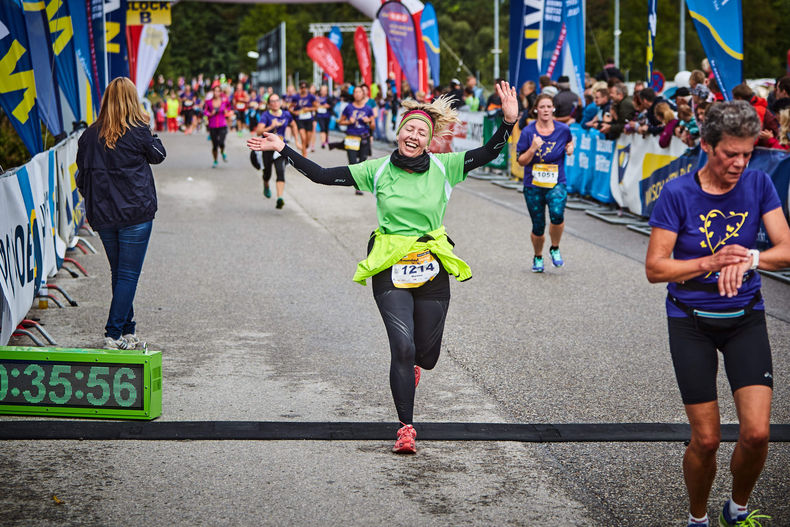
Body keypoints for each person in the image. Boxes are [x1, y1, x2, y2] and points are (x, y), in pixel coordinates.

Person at [247, 81, 519, 454]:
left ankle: (417, 366)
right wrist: (284, 148)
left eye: (421, 131)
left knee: (428, 355)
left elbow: (490, 151)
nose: (414, 134)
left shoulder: (446, 166)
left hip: (432, 264)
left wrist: (508, 123)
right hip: (390, 265)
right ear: (398, 131)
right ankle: (406, 427)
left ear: (429, 140)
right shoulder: (376, 170)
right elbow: (323, 175)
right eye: (409, 128)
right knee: (402, 349)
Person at [645, 101, 790, 527]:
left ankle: (737, 509)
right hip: (691, 322)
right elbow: (656, 268)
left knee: (758, 433)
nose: (740, 163)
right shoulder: (677, 193)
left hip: (745, 317)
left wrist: (748, 259)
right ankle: (697, 518)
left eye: (747, 153)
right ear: (707, 146)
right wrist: (710, 262)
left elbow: (786, 248)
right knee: (706, 439)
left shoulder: (759, 183)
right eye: (731, 153)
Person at [75, 77, 166, 350]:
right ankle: (113, 333)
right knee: (127, 275)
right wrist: (151, 131)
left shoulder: (89, 135)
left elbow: (81, 177)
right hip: (135, 212)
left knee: (119, 272)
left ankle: (128, 330)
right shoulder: (139, 131)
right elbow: (159, 155)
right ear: (132, 100)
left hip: (103, 214)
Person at [516, 94, 574, 273]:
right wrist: (533, 148)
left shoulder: (563, 130)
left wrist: (571, 147)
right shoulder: (528, 132)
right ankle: (538, 256)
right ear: (536, 110)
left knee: (557, 214)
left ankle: (555, 248)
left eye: (549, 106)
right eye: (542, 107)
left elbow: (570, 142)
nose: (546, 110)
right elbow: (521, 161)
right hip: (533, 185)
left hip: (557, 182)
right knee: (538, 225)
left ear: (553, 109)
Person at [254, 93, 301, 209]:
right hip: (267, 147)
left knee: (280, 171)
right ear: (269, 104)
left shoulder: (286, 114)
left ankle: (280, 198)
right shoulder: (266, 115)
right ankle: (266, 184)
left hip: (280, 148)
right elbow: (259, 132)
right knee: (268, 173)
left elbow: (294, 125)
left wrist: (297, 141)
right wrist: (271, 126)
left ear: (280, 102)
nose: (275, 103)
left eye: (277, 100)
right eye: (272, 101)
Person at [337, 85, 375, 195]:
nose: (358, 94)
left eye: (359, 92)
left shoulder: (368, 109)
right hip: (351, 137)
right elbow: (340, 121)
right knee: (353, 163)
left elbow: (373, 126)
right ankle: (357, 186)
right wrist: (348, 122)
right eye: (356, 92)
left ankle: (359, 185)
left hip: (364, 137)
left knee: (362, 162)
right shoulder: (349, 107)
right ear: (353, 94)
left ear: (363, 94)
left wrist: (369, 121)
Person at [204, 85, 232, 168]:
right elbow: (204, 111)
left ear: (220, 92)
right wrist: (210, 114)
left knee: (221, 143)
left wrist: (228, 112)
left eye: (218, 91)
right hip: (212, 125)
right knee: (215, 145)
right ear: (213, 92)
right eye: (215, 91)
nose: (216, 93)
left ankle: (223, 152)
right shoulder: (208, 101)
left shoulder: (224, 101)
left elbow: (229, 107)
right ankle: (215, 160)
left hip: (222, 124)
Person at [292, 81, 318, 157]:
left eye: (305, 87)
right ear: (299, 88)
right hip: (300, 120)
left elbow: (316, 107)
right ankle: (304, 157)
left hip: (309, 119)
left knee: (307, 141)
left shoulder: (311, 97)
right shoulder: (296, 97)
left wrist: (308, 109)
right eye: (302, 87)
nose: (303, 89)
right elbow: (290, 107)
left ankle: (305, 147)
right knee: (303, 138)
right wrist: (294, 112)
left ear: (307, 88)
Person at [315, 84, 335, 149]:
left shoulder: (329, 98)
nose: (323, 92)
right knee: (322, 128)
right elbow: (315, 105)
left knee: (326, 128)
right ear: (320, 91)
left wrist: (327, 106)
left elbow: (331, 105)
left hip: (327, 115)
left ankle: (326, 139)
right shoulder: (317, 98)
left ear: (327, 91)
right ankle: (323, 142)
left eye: (325, 90)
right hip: (319, 115)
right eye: (322, 90)